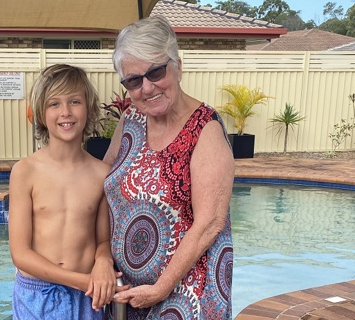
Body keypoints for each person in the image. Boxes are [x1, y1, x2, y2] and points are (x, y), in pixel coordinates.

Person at [103, 15, 235, 319]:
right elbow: (102, 176)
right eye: (134, 81)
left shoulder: (205, 129)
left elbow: (209, 224)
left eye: (156, 72)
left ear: (177, 65)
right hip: (130, 292)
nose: (147, 88)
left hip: (185, 296)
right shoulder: (131, 120)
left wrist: (161, 288)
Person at [8, 64, 117, 319]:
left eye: (74, 101)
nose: (65, 112)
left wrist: (103, 261)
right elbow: (20, 254)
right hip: (37, 296)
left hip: (87, 298)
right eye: (54, 104)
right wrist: (80, 280)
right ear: (41, 113)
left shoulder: (102, 174)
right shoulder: (25, 172)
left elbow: (102, 239)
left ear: (88, 108)